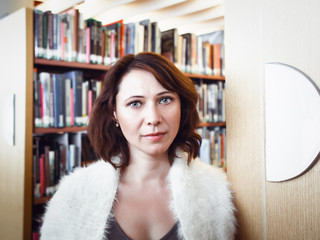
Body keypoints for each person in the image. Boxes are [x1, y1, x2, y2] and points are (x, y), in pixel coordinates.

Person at [40, 52, 236, 240]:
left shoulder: (216, 193)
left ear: (182, 107)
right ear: (114, 113)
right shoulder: (75, 194)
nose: (153, 118)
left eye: (165, 99)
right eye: (135, 103)